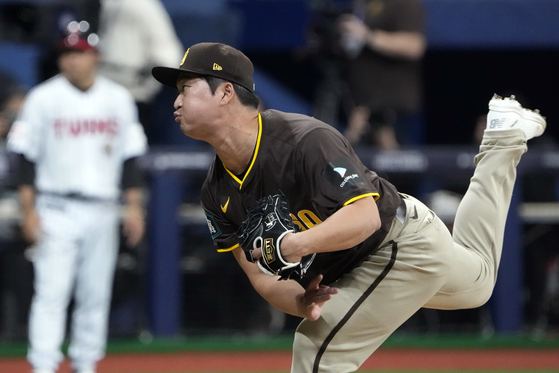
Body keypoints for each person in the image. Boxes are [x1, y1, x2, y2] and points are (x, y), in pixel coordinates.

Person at [151, 42, 546, 372]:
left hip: (398, 245)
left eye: (186, 87)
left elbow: (364, 217)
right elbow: (260, 276)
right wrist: (301, 301)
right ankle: (503, 138)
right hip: (367, 264)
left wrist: (295, 245)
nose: (177, 99)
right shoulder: (214, 191)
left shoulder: (303, 139)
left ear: (225, 92)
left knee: (316, 352)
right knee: (479, 282)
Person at [6, 27, 148, 373]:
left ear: (95, 56)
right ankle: (43, 364)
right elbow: (24, 159)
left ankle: (86, 363)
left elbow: (131, 158)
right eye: (67, 52)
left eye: (80, 52)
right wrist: (29, 211)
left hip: (102, 206)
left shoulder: (117, 98)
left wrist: (133, 206)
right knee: (51, 292)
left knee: (95, 293)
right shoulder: (43, 98)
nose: (72, 59)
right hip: (55, 206)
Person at [338, 0, 427, 149]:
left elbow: (414, 46)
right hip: (362, 106)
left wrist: (367, 36)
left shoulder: (405, 4)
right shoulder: (362, 5)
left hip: (396, 109)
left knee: (398, 164)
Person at [96, 0, 184, 139]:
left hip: (135, 95)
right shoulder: (94, 5)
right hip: (99, 92)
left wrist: (148, 77)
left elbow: (169, 55)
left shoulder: (141, 4)